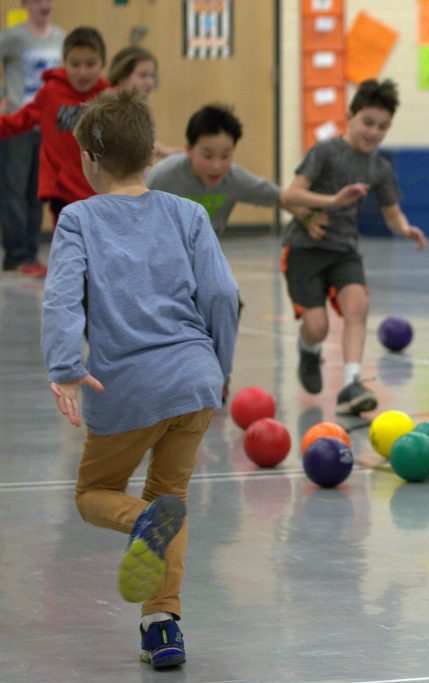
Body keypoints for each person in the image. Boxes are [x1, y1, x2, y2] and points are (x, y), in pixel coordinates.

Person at [41, 88, 238, 669]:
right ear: (153, 153)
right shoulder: (189, 213)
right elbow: (223, 294)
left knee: (94, 496)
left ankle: (139, 522)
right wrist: (218, 372)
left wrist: (65, 367)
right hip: (193, 380)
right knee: (169, 498)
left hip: (124, 387)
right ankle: (162, 627)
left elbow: (60, 301)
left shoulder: (78, 219)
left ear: (88, 160)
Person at [281, 78, 426, 415]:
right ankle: (308, 349)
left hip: (344, 251)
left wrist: (405, 229)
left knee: (357, 308)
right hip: (305, 249)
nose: (374, 132)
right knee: (318, 327)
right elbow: (291, 195)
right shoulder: (325, 152)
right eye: (368, 122)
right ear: (350, 115)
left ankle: (351, 383)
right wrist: (332, 201)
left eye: (383, 127)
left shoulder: (380, 168)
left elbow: (392, 213)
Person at [148, 103, 366, 236]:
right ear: (188, 149)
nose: (217, 165)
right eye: (207, 156)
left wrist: (303, 214)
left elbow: (279, 196)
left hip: (201, 256)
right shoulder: (164, 177)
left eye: (225, 156)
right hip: (161, 253)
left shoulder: (234, 179)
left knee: (227, 300)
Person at [0, 26, 109, 226]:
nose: (82, 72)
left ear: (103, 63)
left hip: (100, 188)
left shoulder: (109, 96)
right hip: (62, 189)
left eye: (90, 64)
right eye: (75, 64)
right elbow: (21, 120)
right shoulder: (52, 92)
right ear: (64, 63)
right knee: (69, 245)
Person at [0, 0, 63, 276]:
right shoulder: (14, 37)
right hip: (18, 124)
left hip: (47, 126)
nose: (45, 4)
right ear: (26, 4)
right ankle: (15, 255)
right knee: (14, 191)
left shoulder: (61, 38)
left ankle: (31, 252)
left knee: (38, 192)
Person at [106, 45, 179, 160]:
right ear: (121, 76)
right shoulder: (111, 108)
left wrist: (164, 151)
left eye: (152, 76)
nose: (150, 82)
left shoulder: (140, 105)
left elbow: (143, 140)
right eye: (142, 75)